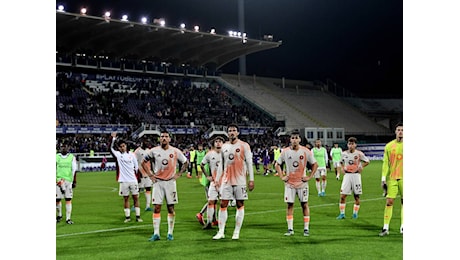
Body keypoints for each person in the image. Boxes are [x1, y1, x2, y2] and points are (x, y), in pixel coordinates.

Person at [213, 123, 255, 240]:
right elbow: (222, 163)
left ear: (238, 133)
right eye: (230, 130)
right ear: (227, 133)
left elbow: (249, 162)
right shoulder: (224, 146)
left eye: (234, 130)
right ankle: (221, 231)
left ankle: (236, 232)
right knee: (223, 204)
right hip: (226, 181)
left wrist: (251, 179)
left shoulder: (244, 145)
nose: (232, 132)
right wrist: (217, 180)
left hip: (240, 180)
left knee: (240, 204)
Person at [145, 130, 189, 242]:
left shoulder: (175, 151)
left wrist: (179, 173)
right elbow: (143, 162)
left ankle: (170, 233)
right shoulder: (153, 151)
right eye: (162, 136)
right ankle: (156, 234)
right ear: (159, 139)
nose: (164, 138)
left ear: (169, 139)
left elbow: (185, 162)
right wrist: (150, 175)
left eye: (166, 136)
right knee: (157, 208)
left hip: (170, 183)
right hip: (158, 183)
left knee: (170, 208)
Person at [275, 129, 318, 237]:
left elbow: (315, 164)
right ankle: (290, 229)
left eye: (296, 138)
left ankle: (306, 229)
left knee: (304, 204)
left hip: (302, 183)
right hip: (289, 184)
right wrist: (281, 176)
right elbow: (277, 164)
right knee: (290, 205)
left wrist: (310, 176)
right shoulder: (285, 151)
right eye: (292, 138)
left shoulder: (306, 151)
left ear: (299, 139)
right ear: (290, 139)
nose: (294, 140)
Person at [110, 132, 143, 223]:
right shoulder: (118, 155)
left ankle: (138, 216)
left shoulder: (132, 155)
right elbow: (111, 148)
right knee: (126, 198)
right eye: (120, 146)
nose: (122, 147)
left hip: (133, 180)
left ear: (126, 146)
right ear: (119, 148)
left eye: (123, 146)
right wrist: (113, 139)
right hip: (123, 181)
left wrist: (135, 177)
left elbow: (136, 167)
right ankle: (127, 217)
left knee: (136, 197)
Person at [336, 137, 370, 220]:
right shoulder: (344, 154)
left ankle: (355, 214)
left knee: (356, 196)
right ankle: (342, 214)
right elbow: (340, 162)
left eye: (352, 144)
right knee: (342, 196)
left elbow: (367, 161)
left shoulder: (359, 154)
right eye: (349, 144)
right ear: (347, 145)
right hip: (347, 176)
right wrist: (342, 168)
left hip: (356, 176)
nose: (351, 145)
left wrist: (361, 167)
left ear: (355, 145)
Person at [379, 122, 403, 236]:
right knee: (389, 201)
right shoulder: (389, 146)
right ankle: (385, 227)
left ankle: (403, 227)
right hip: (392, 178)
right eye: (398, 129)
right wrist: (383, 178)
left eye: (402, 130)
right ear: (395, 131)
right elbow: (386, 163)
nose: (400, 132)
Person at [198, 136, 226, 229]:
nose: (218, 143)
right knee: (211, 202)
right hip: (214, 182)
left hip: (224, 183)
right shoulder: (210, 154)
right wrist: (207, 176)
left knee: (223, 203)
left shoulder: (226, 154)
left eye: (220, 141)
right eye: (216, 141)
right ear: (214, 144)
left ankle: (221, 223)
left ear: (223, 143)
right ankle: (209, 223)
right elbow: (202, 165)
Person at [56, 141, 78, 224]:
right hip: (58, 181)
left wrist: (74, 181)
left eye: (65, 146)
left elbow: (74, 170)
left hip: (68, 181)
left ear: (68, 148)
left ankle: (68, 219)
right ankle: (59, 215)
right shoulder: (56, 157)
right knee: (57, 199)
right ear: (60, 148)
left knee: (68, 199)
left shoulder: (72, 157)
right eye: (62, 146)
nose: (64, 148)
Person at [134, 137, 154, 211]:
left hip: (148, 173)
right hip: (140, 173)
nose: (148, 143)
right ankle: (135, 205)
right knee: (138, 190)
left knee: (148, 188)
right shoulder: (137, 151)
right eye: (146, 142)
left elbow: (151, 161)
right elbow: (135, 163)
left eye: (148, 142)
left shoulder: (149, 151)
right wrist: (137, 173)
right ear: (142, 142)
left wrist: (152, 171)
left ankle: (148, 206)